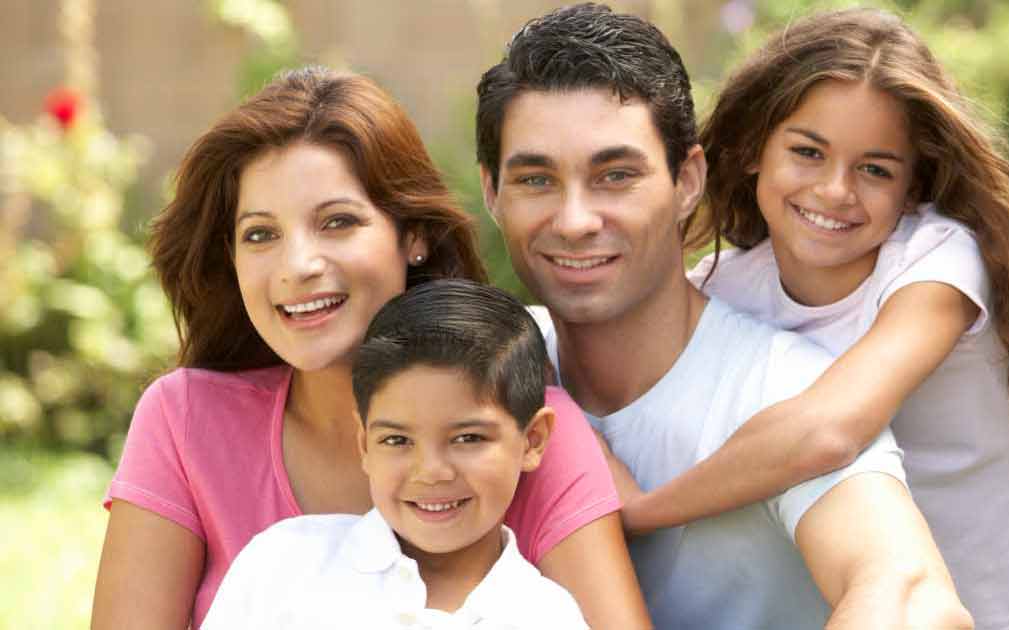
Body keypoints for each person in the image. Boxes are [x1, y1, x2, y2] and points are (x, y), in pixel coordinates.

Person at [607, 7, 1009, 629]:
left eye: (875, 169)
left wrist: (641, 512)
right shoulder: (727, 289)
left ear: (913, 186)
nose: (835, 190)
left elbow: (831, 429)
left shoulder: (939, 263)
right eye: (808, 152)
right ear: (754, 151)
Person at [92, 66, 649, 630]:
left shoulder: (520, 421)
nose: (297, 266)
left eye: (337, 222)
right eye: (260, 234)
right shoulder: (185, 420)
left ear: (414, 235)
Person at [476, 4, 972, 629]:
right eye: (536, 180)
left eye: (616, 175)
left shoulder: (785, 388)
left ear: (688, 181)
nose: (575, 221)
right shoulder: (488, 368)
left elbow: (908, 592)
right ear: (492, 192)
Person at [201, 280, 589, 629]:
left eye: (468, 438)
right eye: (397, 441)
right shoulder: (283, 564)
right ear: (365, 444)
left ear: (532, 440)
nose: (431, 471)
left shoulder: (549, 618)